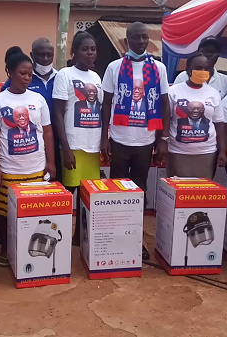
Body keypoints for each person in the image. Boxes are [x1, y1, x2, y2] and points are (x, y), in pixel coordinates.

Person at [101, 22, 170, 260]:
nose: (141, 42)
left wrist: (164, 139)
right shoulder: (114, 67)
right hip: (120, 139)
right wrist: (104, 138)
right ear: (126, 41)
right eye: (136, 38)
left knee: (140, 191)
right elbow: (107, 103)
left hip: (146, 140)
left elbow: (164, 104)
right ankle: (115, 237)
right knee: (117, 190)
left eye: (144, 38)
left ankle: (135, 240)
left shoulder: (158, 68)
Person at [0, 47, 56, 267]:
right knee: (5, 214)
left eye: (29, 73)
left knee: (33, 214)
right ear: (9, 72)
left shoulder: (38, 100)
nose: (27, 77)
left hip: (36, 169)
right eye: (22, 73)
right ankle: (5, 249)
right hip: (9, 170)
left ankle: (27, 249)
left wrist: (51, 163)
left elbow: (47, 132)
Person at [52, 31, 102, 246]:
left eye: (92, 49)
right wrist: (66, 147)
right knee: (67, 193)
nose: (89, 53)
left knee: (87, 194)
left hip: (93, 146)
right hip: (74, 144)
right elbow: (58, 112)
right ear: (75, 52)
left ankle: (79, 237)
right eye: (85, 49)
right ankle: (57, 236)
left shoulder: (96, 77)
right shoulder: (64, 74)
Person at [1, 38, 62, 180]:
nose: (45, 59)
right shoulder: (21, 77)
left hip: (58, 136)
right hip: (31, 137)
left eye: (49, 54)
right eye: (41, 55)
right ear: (32, 55)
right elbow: (7, 102)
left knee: (55, 179)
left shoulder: (61, 77)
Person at [167, 53, 226, 179]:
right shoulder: (174, 91)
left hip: (206, 152)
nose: (203, 71)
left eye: (206, 68)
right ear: (188, 69)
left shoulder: (213, 93)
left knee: (201, 192)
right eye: (198, 68)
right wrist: (162, 142)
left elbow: (219, 124)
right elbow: (166, 120)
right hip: (178, 152)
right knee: (178, 192)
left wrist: (222, 151)